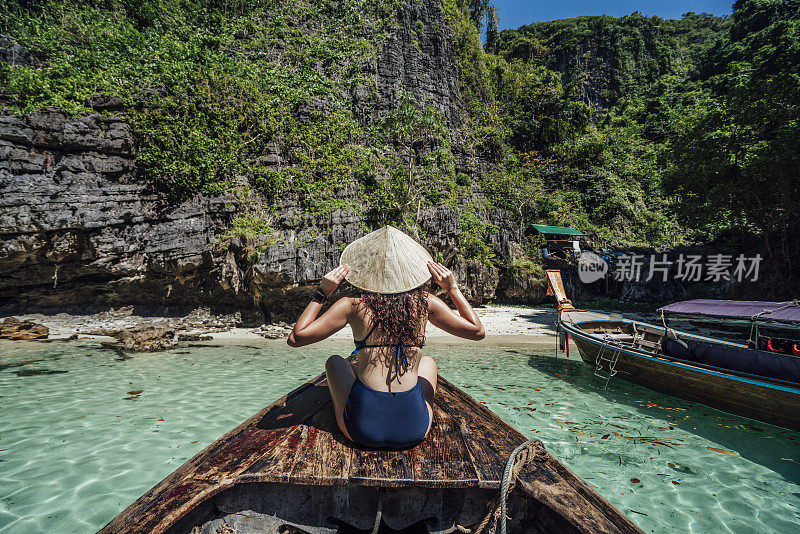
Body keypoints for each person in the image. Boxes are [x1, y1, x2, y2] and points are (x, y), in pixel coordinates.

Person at [287, 226, 485, 449]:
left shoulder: (352, 304)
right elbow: (477, 332)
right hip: (414, 429)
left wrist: (323, 291)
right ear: (411, 270)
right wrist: (452, 288)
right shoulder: (425, 303)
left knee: (335, 362)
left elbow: (297, 338)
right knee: (428, 362)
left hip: (361, 431)